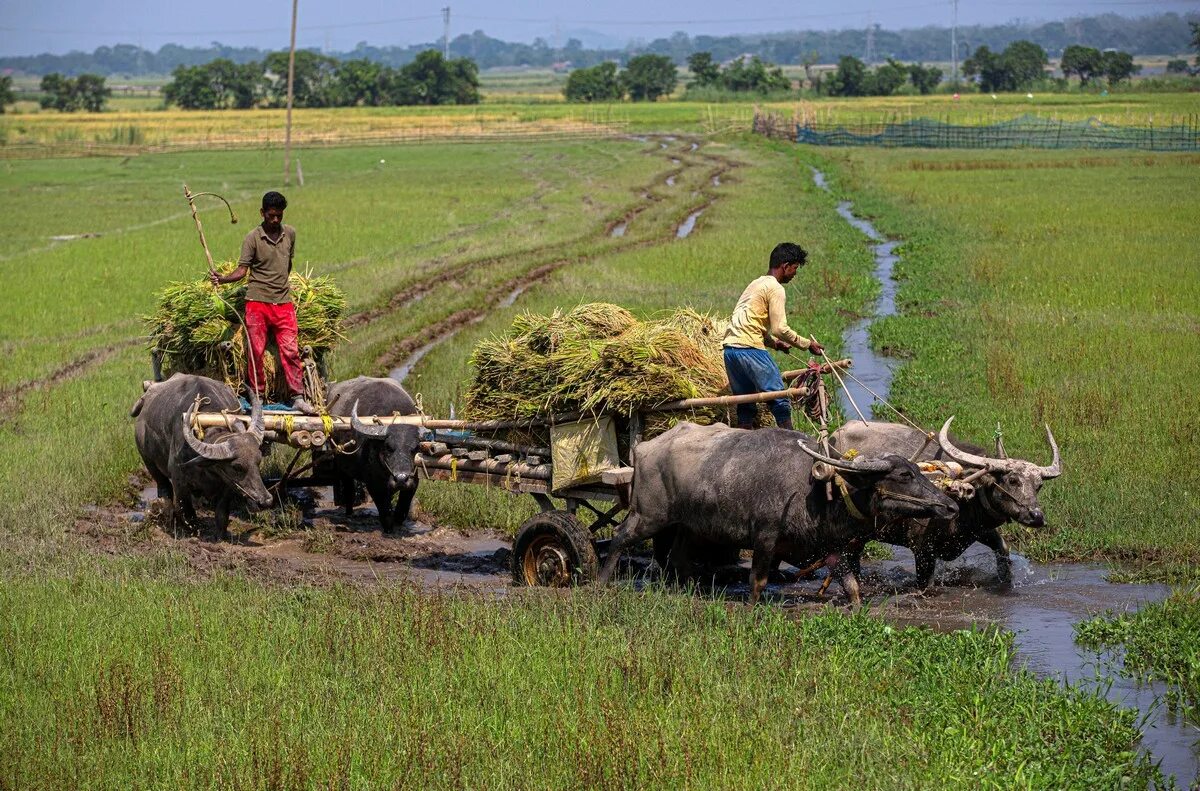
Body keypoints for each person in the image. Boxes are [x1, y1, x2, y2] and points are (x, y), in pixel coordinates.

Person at [210, 191, 316, 415]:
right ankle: (257, 395)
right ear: (262, 213)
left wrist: (282, 285)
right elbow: (241, 271)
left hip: (284, 303)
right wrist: (222, 278)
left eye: (279, 216)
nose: (275, 220)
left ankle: (297, 396)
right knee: (255, 351)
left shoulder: (290, 234)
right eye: (271, 216)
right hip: (257, 303)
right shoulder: (252, 238)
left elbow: (287, 265)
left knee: (290, 350)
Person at [721, 242, 824, 431]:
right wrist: (807, 344)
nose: (795, 274)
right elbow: (780, 329)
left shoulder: (756, 283)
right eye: (794, 269)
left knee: (745, 405)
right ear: (785, 266)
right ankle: (791, 446)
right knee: (780, 399)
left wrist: (775, 345)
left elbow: (750, 322)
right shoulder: (776, 288)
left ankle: (743, 447)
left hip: (730, 351)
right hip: (749, 350)